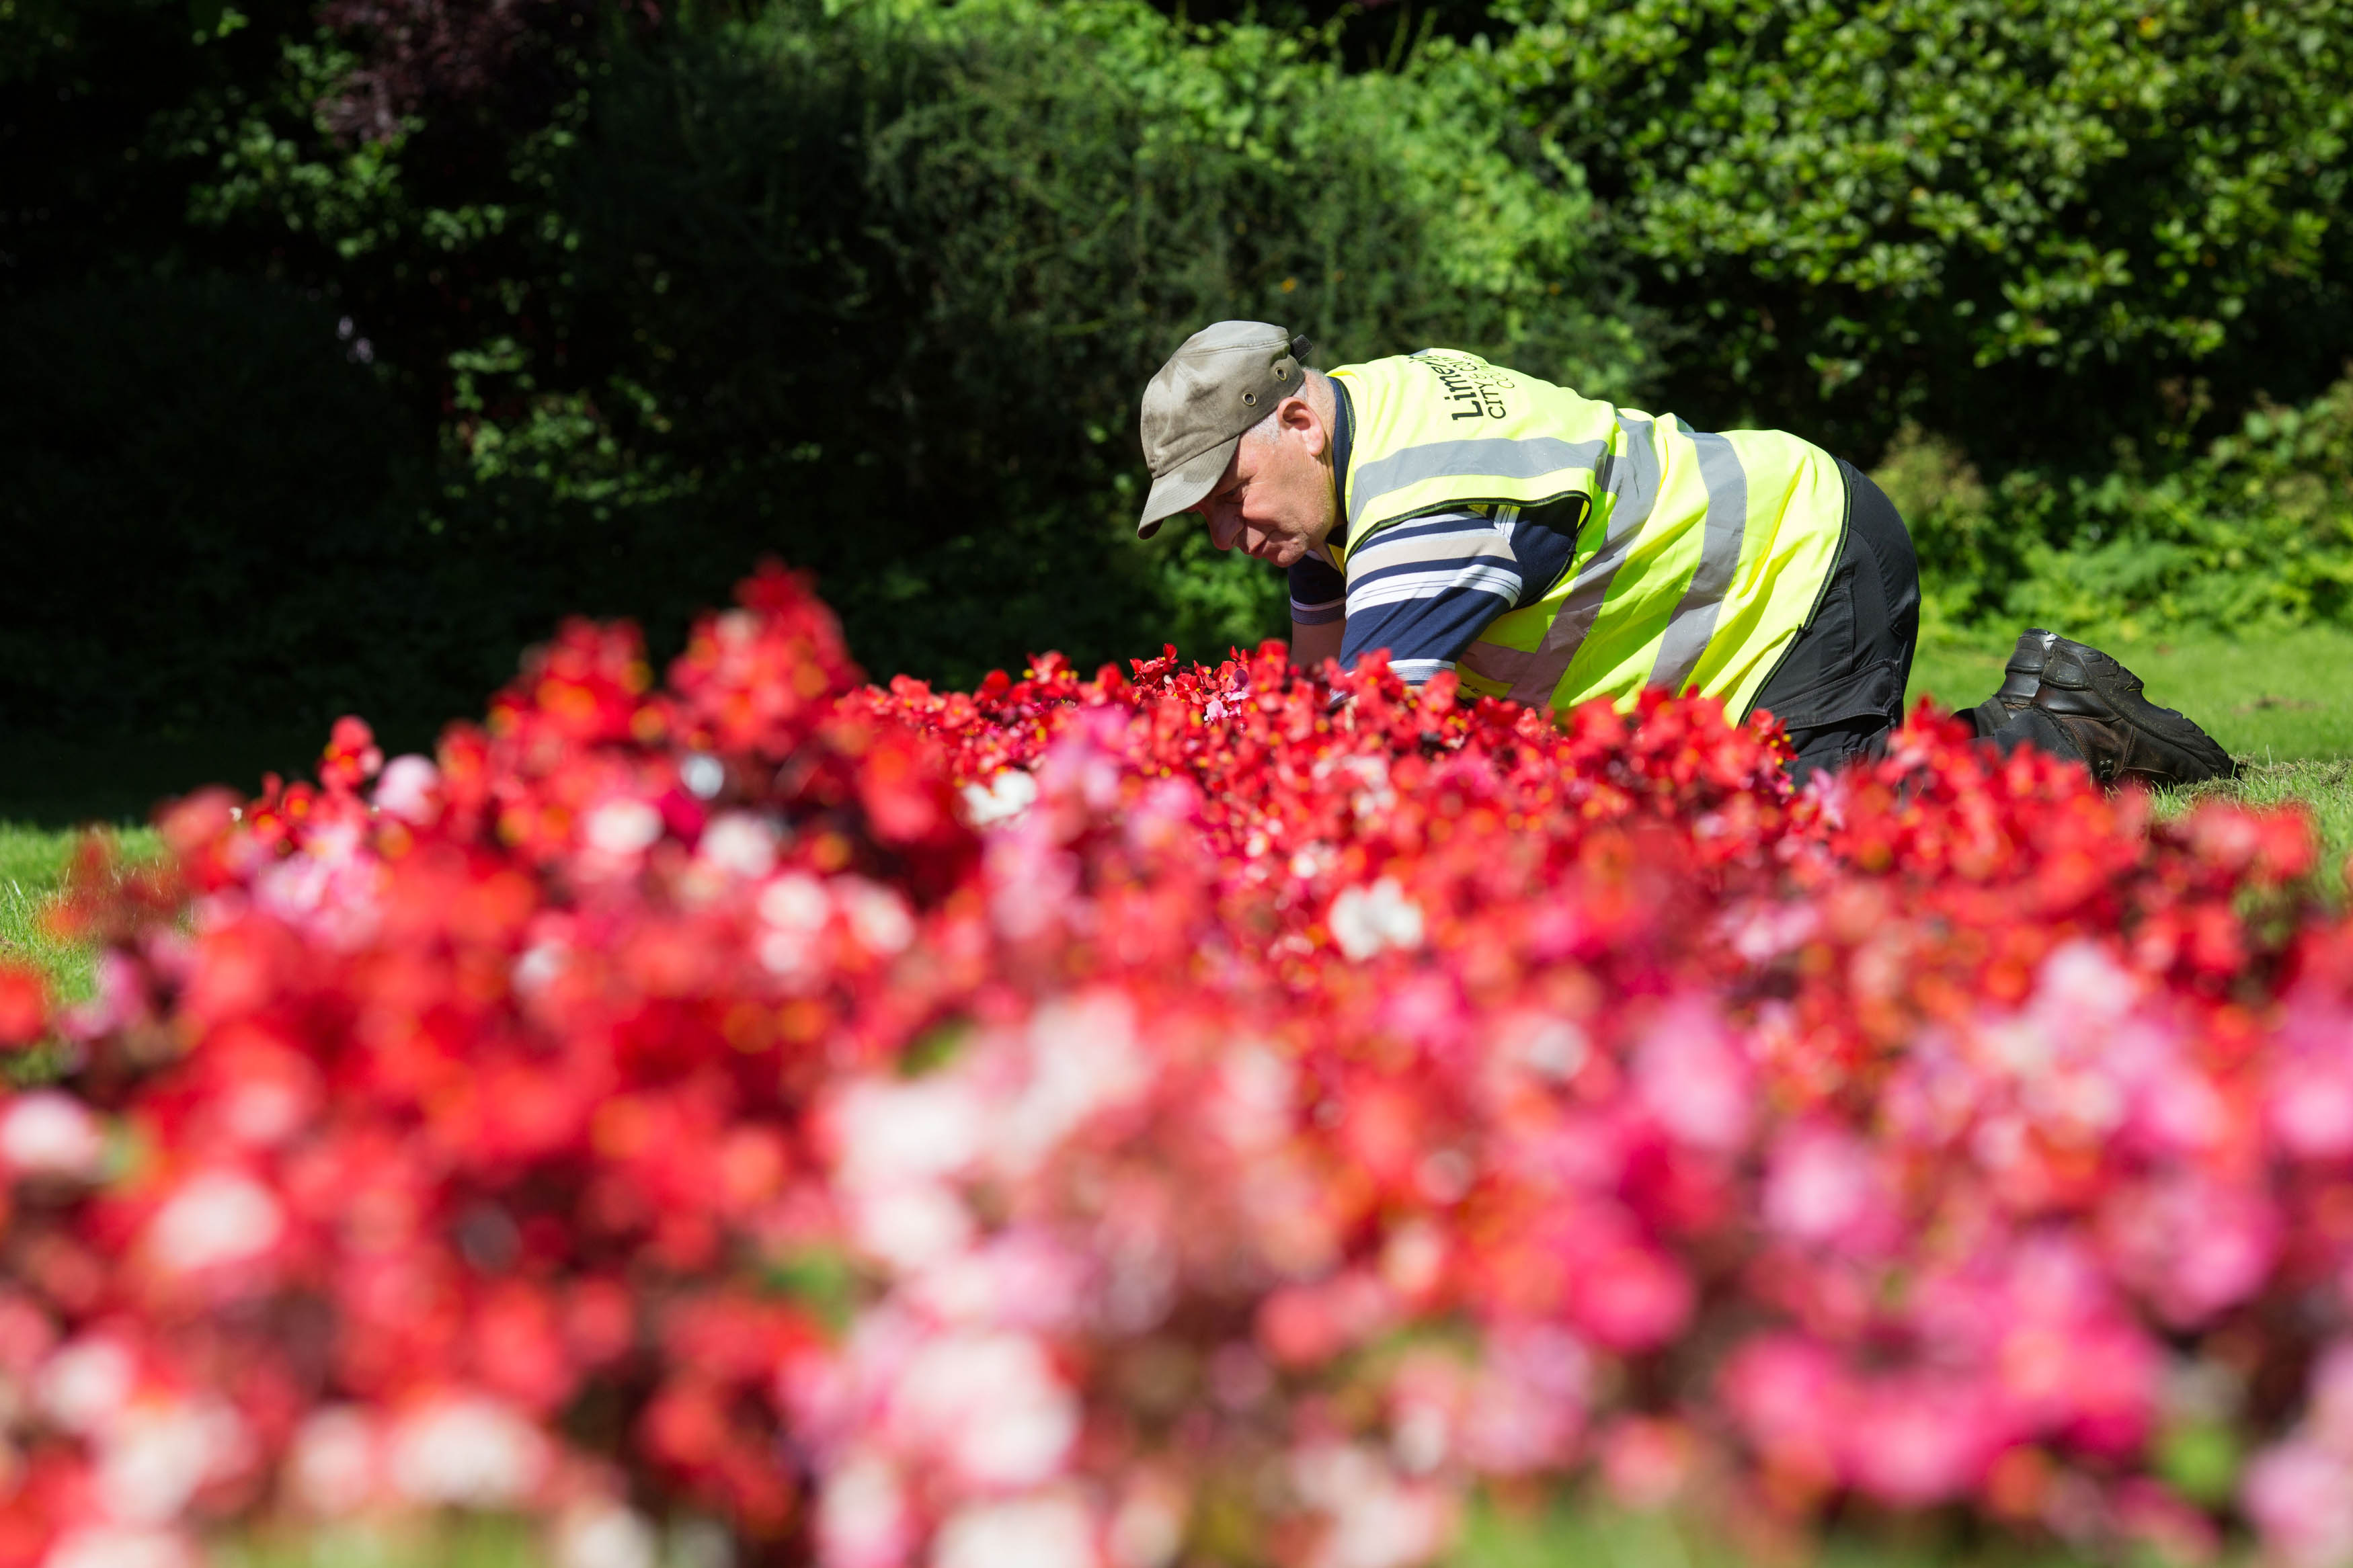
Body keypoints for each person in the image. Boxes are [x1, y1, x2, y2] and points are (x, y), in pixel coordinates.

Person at [1134, 320, 2233, 787]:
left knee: (1829, 840)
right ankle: (2039, 695)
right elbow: (1328, 702)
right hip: (1759, 572)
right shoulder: (1363, 424)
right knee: (1756, 811)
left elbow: (1369, 764)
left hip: (1799, 568)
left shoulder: (1427, 509)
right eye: (1207, 523)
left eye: (1227, 497)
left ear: (1291, 425)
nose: (1232, 539)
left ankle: (2076, 733)